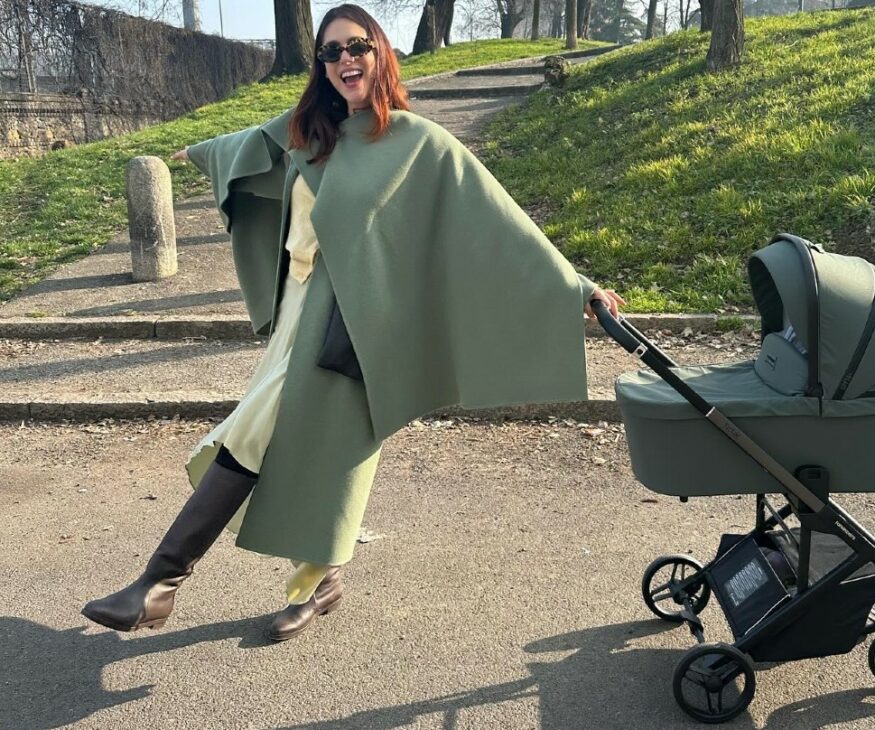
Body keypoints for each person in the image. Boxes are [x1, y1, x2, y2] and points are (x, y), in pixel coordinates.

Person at [81, 3, 625, 642]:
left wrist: (577, 288)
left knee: (261, 433)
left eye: (358, 47)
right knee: (307, 447)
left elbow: (494, 219)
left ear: (381, 53)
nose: (345, 61)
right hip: (299, 312)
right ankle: (321, 580)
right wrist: (201, 151)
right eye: (331, 51)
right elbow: (252, 147)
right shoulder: (314, 129)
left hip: (355, 323)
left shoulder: (416, 142)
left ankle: (160, 582)